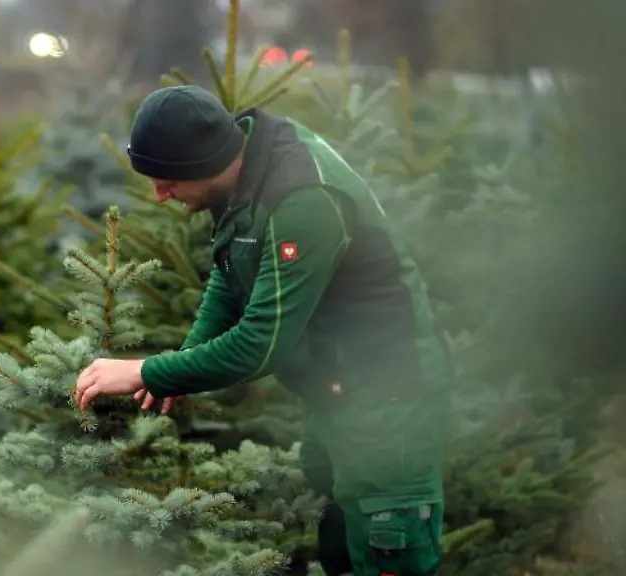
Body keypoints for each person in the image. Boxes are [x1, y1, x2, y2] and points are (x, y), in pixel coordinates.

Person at [73, 85, 454, 576]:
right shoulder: (247, 167)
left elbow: (261, 344)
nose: (159, 195)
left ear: (201, 163)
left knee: (387, 550)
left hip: (389, 401)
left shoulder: (302, 201)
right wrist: (180, 366)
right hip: (337, 392)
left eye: (166, 180)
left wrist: (144, 369)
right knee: (340, 544)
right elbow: (229, 276)